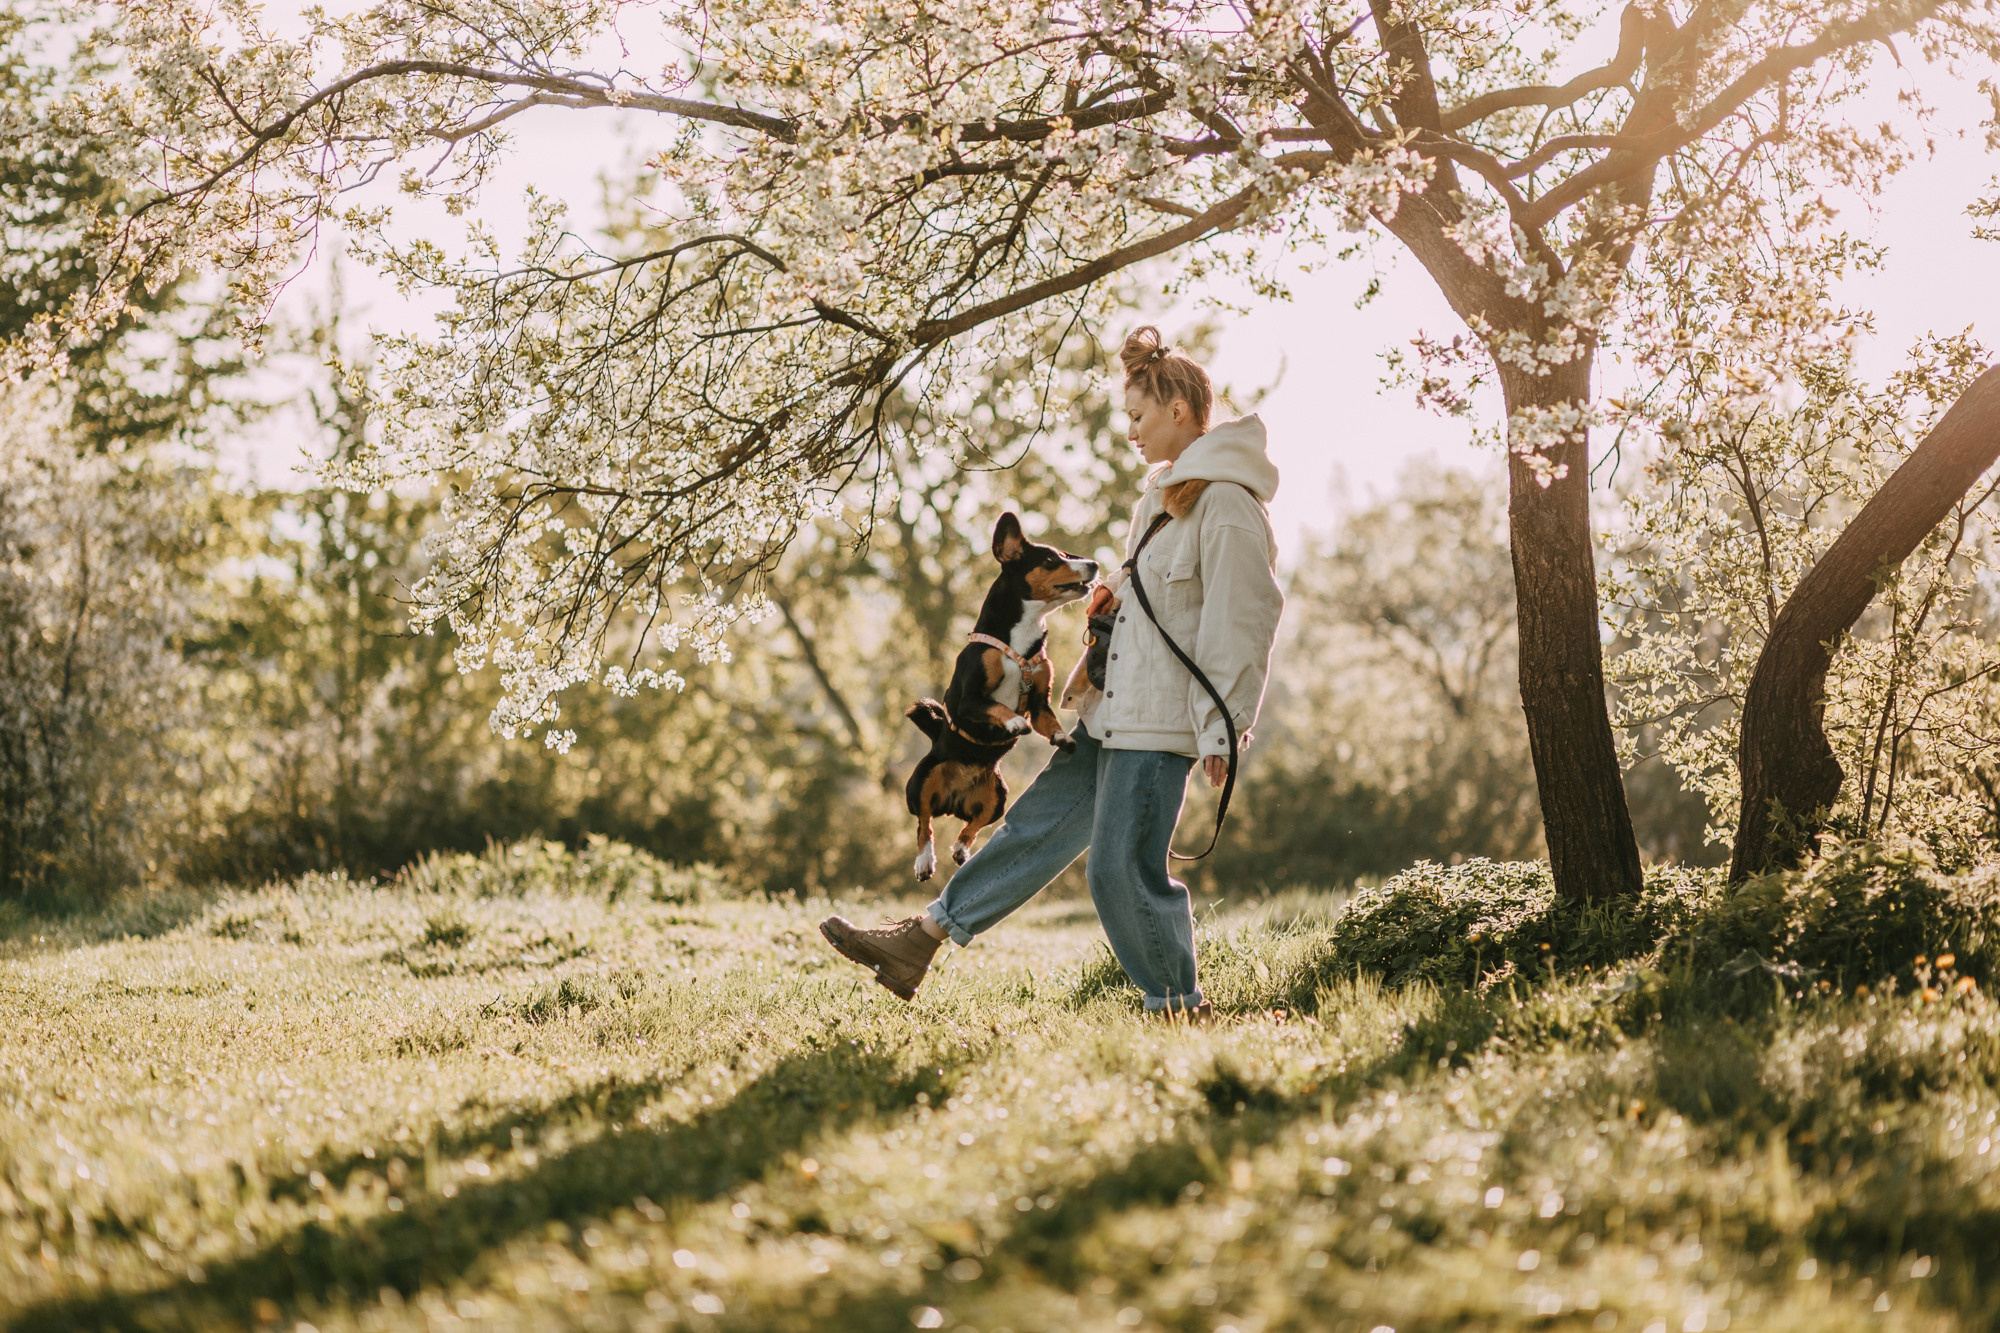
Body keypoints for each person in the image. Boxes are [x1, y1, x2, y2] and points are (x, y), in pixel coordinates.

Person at [819, 327, 1284, 1019]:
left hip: (1162, 723)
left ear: (1180, 410)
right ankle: (920, 940)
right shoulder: (1162, 501)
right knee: (1034, 825)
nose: (1130, 430)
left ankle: (1178, 1006)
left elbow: (1243, 619)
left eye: (1139, 415)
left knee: (1119, 868)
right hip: (1115, 712)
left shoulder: (1227, 504)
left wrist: (1221, 728)